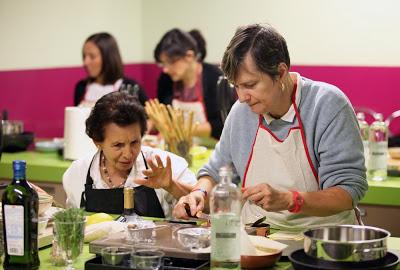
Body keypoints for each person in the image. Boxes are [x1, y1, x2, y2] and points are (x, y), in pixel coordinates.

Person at [173, 24, 368, 231]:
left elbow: (347, 192)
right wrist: (199, 193)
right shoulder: (241, 112)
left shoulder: (326, 104)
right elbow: (214, 173)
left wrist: (290, 200)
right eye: (236, 86)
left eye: (250, 85)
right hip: (258, 239)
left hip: (324, 240)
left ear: (281, 72)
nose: (241, 97)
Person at [63, 91, 196, 217]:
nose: (128, 154)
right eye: (118, 145)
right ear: (97, 141)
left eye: (134, 142)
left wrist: (171, 186)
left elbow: (200, 205)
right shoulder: (77, 174)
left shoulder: (166, 165)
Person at [154, 28, 236, 139]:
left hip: (213, 147)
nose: (166, 69)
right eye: (163, 64)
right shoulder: (166, 79)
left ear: (189, 56)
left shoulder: (216, 78)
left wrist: (179, 130)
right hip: (178, 146)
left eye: (171, 62)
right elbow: (163, 113)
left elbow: (224, 123)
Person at [74, 32, 147, 107]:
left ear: (108, 58)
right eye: (84, 56)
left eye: (92, 56)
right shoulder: (81, 87)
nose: (85, 62)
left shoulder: (130, 87)